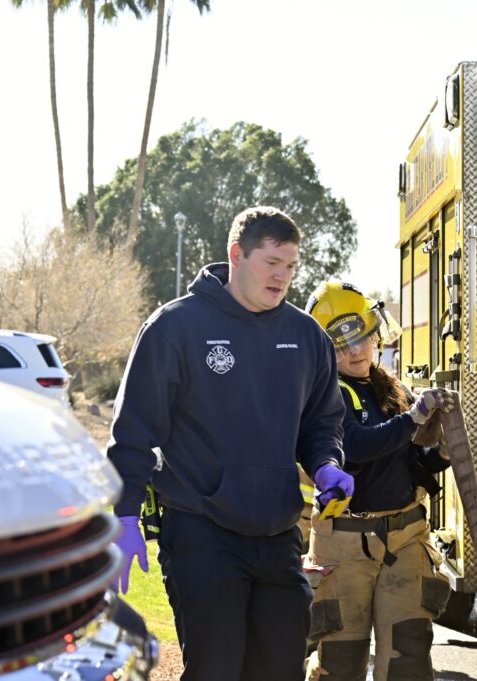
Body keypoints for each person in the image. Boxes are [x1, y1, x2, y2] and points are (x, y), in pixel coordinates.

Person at [107, 206, 355, 681]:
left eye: (291, 265)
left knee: (281, 670)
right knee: (216, 670)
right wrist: (124, 514)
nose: (282, 276)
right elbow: (134, 430)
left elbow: (322, 424)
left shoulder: (307, 337)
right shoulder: (175, 327)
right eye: (271, 262)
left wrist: (327, 464)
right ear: (237, 255)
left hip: (278, 534)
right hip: (201, 531)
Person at [303, 280, 455, 681]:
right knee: (340, 664)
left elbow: (408, 463)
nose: (355, 351)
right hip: (344, 545)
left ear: (375, 334)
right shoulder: (325, 393)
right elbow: (356, 446)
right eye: (341, 346)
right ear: (324, 351)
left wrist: (441, 455)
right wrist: (414, 418)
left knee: (408, 659)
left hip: (405, 538)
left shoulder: (392, 388)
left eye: (361, 339)